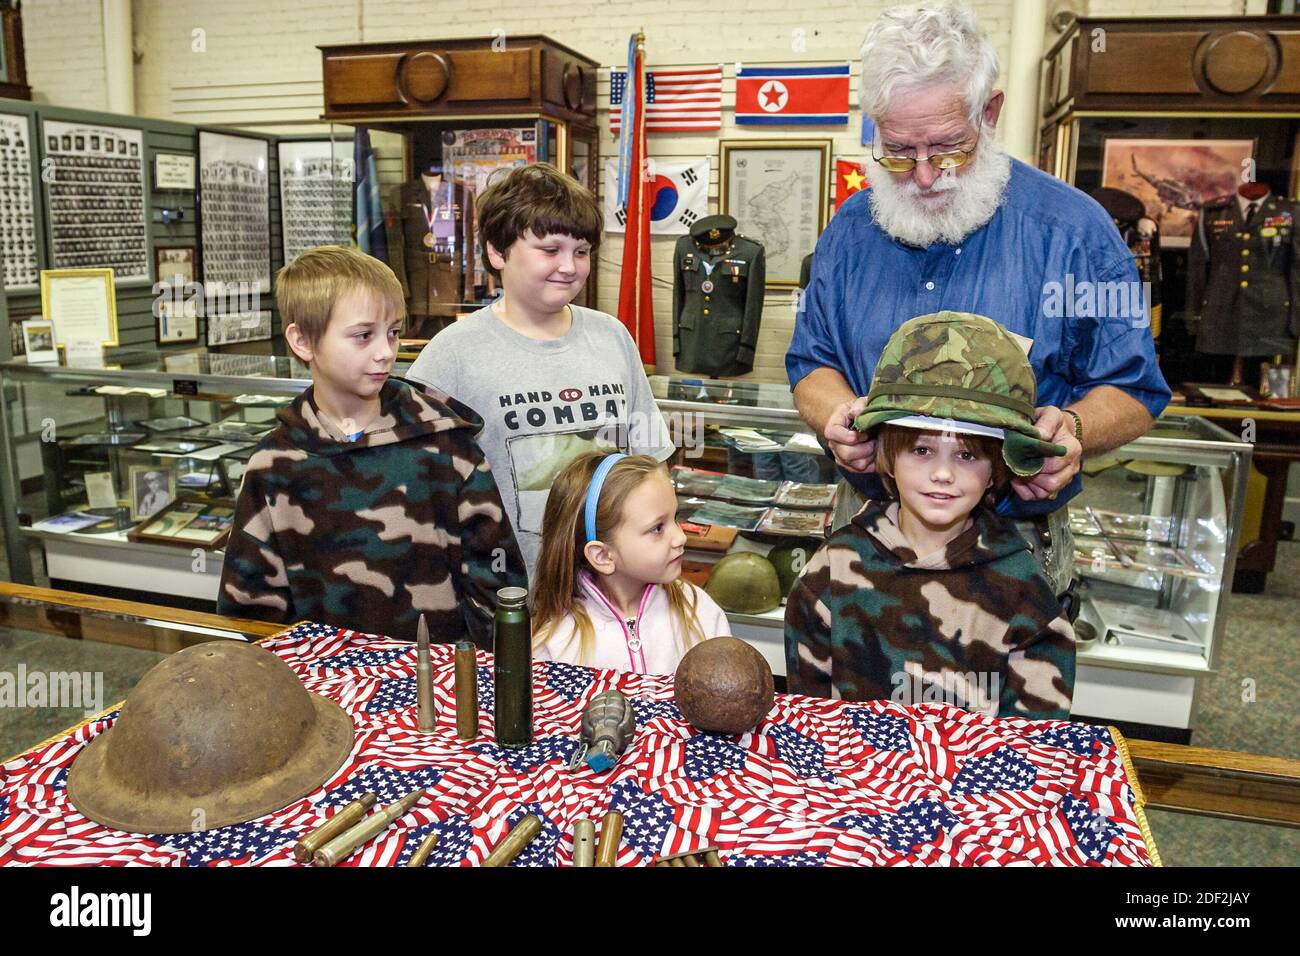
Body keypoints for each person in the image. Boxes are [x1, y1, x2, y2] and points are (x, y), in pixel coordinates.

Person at [786, 0, 1171, 605]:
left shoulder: (1077, 233)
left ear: (988, 112)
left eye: (947, 148)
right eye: (897, 150)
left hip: (1014, 553)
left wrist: (1071, 428)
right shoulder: (850, 232)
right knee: (852, 701)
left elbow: (1136, 390)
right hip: (866, 541)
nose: (922, 175)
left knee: (1005, 703)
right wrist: (834, 415)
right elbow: (812, 364)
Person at [218, 245, 526, 645]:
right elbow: (250, 612)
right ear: (303, 340)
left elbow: (498, 586)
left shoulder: (448, 446)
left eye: (393, 332)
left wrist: (487, 682)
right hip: (320, 687)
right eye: (363, 335)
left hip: (443, 685)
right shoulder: (274, 464)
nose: (386, 352)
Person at [785, 312, 1076, 719]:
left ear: (997, 467)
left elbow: (1033, 749)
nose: (942, 473)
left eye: (967, 454)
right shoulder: (829, 573)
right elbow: (807, 720)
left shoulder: (1025, 593)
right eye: (921, 450)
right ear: (886, 455)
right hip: (851, 779)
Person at [406, 163, 676, 580]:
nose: (569, 266)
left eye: (582, 251)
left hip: (612, 590)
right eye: (550, 250)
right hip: (509, 597)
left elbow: (650, 462)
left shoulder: (612, 337)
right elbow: (421, 496)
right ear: (497, 251)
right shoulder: (451, 355)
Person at [531, 452, 730, 674]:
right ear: (603, 556)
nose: (680, 537)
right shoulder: (555, 646)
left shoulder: (698, 611)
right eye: (657, 528)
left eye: (675, 517)